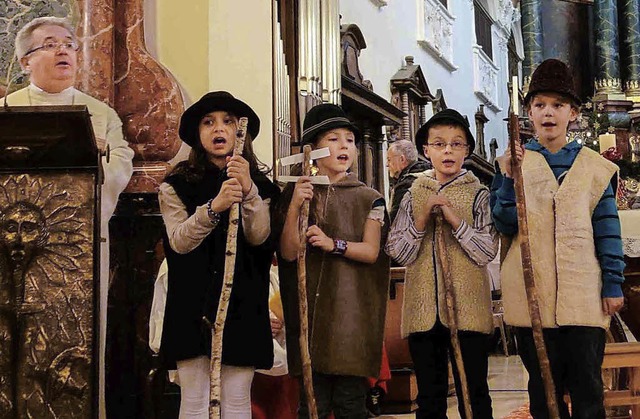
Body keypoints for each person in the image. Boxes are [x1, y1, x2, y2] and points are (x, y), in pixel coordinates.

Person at [3, 16, 134, 418]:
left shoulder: (99, 113)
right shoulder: (6, 111)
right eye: (49, 44)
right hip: (13, 248)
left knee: (76, 339)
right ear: (25, 61)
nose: (63, 51)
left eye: (69, 44)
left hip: (77, 249)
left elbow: (120, 165)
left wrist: (99, 158)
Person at [491, 58, 625, 419]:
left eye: (558, 105)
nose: (548, 113)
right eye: (539, 105)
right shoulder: (512, 164)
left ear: (573, 114)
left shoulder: (594, 168)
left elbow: (608, 229)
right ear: (529, 113)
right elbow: (504, 222)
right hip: (531, 293)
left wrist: (613, 283)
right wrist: (507, 177)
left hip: (583, 294)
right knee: (543, 390)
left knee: (587, 389)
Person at [158, 91, 280, 418]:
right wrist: (214, 208)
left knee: (236, 399)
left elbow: (259, 237)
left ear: (242, 134)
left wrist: (249, 193)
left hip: (243, 303)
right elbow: (180, 241)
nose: (218, 129)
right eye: (209, 122)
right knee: (195, 400)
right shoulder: (176, 184)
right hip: (191, 304)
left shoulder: (263, 187)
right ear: (198, 134)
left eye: (228, 122)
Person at [276, 103, 390, 418]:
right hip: (311, 319)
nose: (344, 146)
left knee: (350, 404)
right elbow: (288, 252)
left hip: (351, 317)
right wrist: (297, 204)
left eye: (350, 140)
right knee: (312, 405)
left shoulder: (370, 198)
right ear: (312, 151)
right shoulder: (298, 193)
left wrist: (332, 244)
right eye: (333, 139)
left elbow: (370, 251)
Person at [385, 109, 498, 419]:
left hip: (469, 311)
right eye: (439, 144)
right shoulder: (412, 194)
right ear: (426, 150)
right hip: (423, 313)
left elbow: (486, 250)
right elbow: (398, 251)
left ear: (466, 151)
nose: (447, 150)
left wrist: (453, 220)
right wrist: (421, 221)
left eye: (456, 144)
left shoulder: (479, 194)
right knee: (430, 398)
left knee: (473, 393)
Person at [387, 139, 430, 223]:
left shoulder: (405, 186)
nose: (387, 164)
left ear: (402, 159)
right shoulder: (430, 175)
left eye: (389, 159)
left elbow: (395, 222)